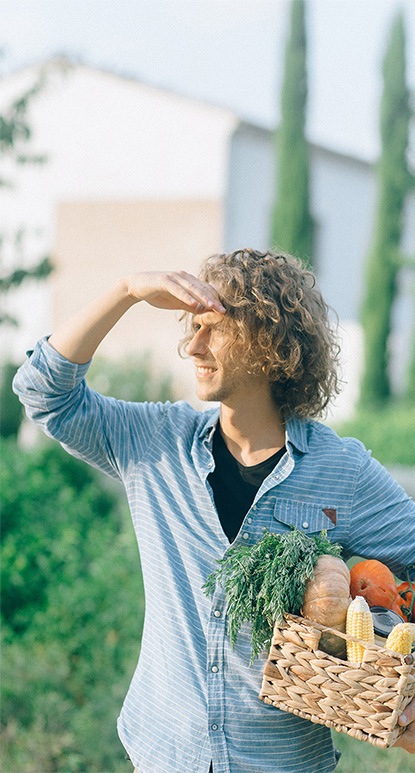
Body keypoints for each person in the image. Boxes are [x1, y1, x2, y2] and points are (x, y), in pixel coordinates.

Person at [13, 248, 415, 772]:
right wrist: (127, 290)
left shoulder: (342, 469)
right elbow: (43, 393)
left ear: (271, 344)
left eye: (213, 329)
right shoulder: (154, 444)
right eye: (192, 328)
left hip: (281, 762)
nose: (193, 346)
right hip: (164, 755)